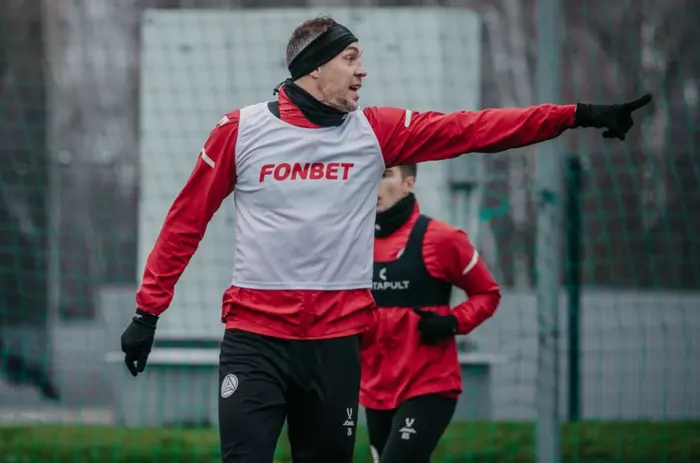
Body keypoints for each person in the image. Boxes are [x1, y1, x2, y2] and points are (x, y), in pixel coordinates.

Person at [119, 14, 651, 463]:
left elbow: (473, 129)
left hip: (335, 346)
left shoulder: (375, 131)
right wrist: (148, 312)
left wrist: (575, 116)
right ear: (314, 67)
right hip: (255, 340)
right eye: (350, 58)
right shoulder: (241, 130)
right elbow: (184, 222)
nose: (362, 70)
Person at [360, 164, 499, 463]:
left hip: (429, 384)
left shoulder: (442, 238)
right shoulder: (353, 243)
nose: (373, 183)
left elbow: (487, 293)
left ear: (408, 183)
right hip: (374, 389)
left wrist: (453, 322)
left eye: (385, 175)